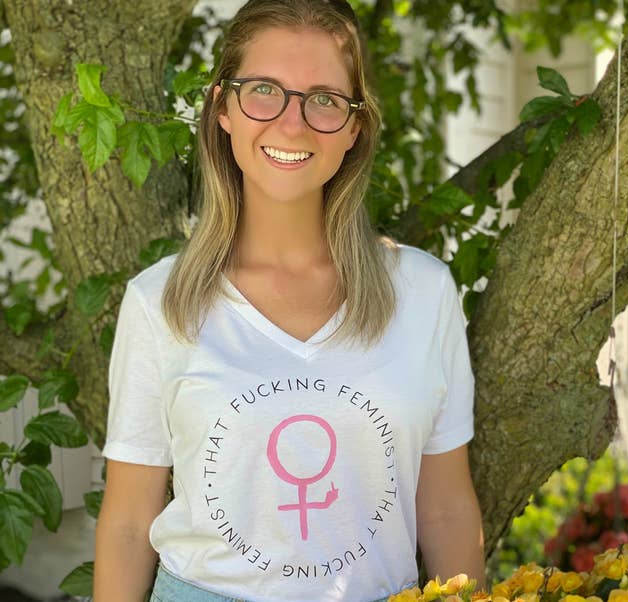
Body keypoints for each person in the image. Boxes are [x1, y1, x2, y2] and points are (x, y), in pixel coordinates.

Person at [93, 1, 485, 600]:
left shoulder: (423, 294)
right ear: (223, 106)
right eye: (264, 91)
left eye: (324, 99)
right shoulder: (160, 303)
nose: (292, 123)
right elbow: (126, 523)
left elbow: (448, 511)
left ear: (355, 127)